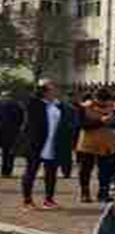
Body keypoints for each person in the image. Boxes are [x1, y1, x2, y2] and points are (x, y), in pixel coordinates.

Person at [21, 80, 74, 209]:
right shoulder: (34, 103)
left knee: (51, 173)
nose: (55, 91)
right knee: (31, 171)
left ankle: (49, 200)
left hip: (53, 143)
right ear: (44, 91)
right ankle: (27, 200)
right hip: (37, 143)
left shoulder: (58, 105)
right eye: (52, 88)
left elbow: (68, 117)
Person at [76, 88, 115, 203]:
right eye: (102, 101)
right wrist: (101, 121)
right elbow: (83, 125)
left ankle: (103, 193)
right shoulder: (84, 107)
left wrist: (113, 120)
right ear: (95, 98)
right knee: (85, 169)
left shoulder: (111, 108)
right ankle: (85, 193)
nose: (105, 104)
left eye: (106, 101)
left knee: (106, 170)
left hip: (106, 143)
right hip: (88, 143)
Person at [0, 90, 24, 177]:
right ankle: (7, 171)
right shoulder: (17, 105)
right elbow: (22, 119)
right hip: (13, 132)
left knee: (5, 152)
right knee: (10, 152)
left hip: (2, 131)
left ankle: (4, 171)